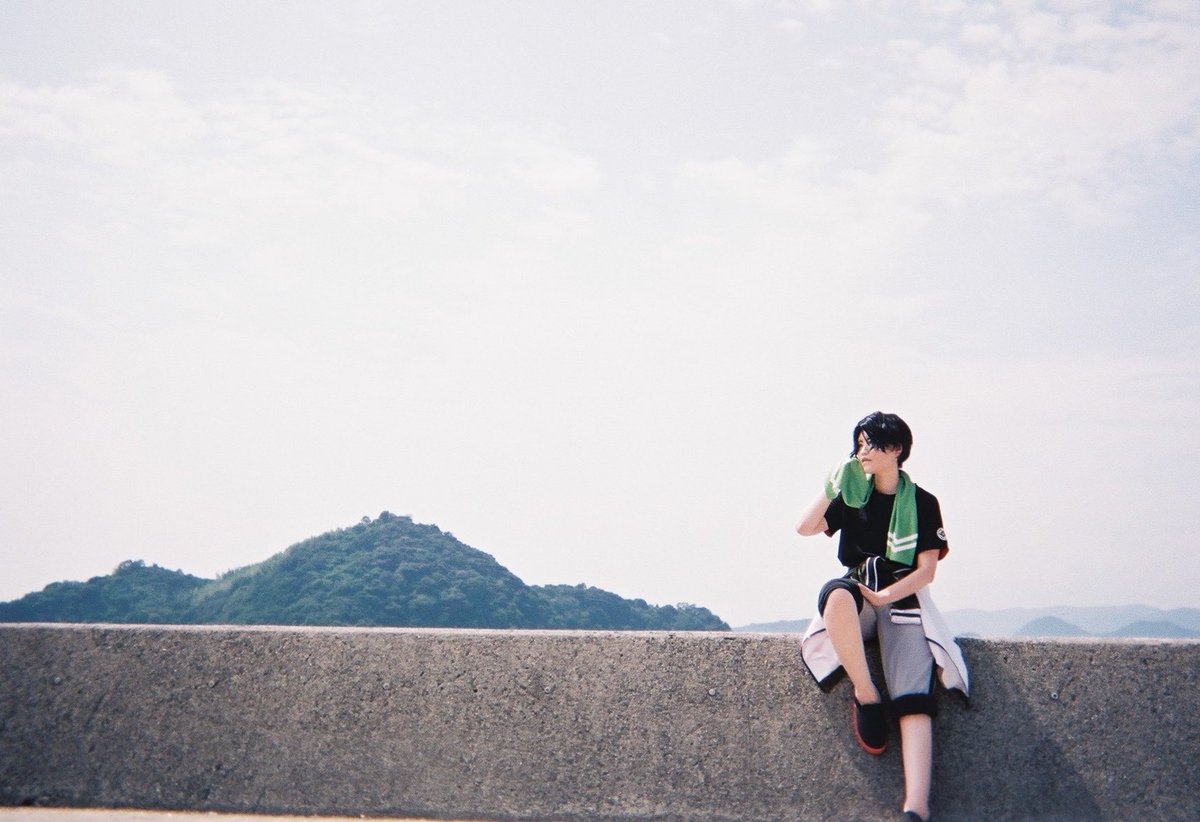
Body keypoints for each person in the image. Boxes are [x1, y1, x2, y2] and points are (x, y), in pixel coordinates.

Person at [795, 412, 968, 822]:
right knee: (835, 594)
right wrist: (832, 485)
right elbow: (804, 527)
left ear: (896, 449)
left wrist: (885, 595)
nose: (862, 452)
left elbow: (926, 571)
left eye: (870, 443)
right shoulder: (853, 496)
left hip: (901, 597)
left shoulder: (923, 502)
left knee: (914, 696)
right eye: (858, 444)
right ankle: (867, 694)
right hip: (858, 594)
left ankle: (916, 807)